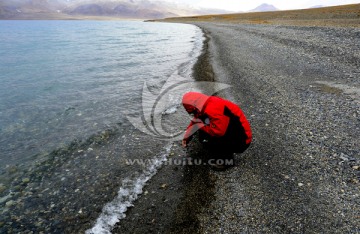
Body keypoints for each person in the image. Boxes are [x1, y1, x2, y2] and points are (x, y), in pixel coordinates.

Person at [181, 92, 252, 170]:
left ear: (194, 107)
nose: (193, 114)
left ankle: (226, 162)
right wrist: (187, 137)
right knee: (204, 132)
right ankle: (221, 151)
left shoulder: (213, 109)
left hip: (243, 140)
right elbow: (196, 120)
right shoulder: (204, 103)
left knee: (208, 139)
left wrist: (200, 126)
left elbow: (218, 132)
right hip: (234, 130)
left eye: (192, 112)